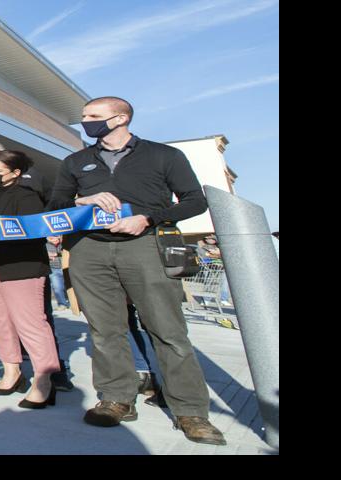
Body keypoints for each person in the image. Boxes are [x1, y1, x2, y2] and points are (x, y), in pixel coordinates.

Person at [48, 96, 225, 444]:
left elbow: (194, 199)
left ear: (120, 118)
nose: (85, 121)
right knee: (105, 330)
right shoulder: (75, 161)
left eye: (93, 116)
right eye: (84, 116)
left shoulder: (164, 155)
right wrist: (81, 201)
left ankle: (190, 411)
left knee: (167, 330)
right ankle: (117, 399)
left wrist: (147, 218)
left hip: (144, 244)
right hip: (89, 249)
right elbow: (56, 205)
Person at [0, 150, 60, 409]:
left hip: (18, 264)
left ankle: (44, 378)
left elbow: (33, 231)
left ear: (16, 173)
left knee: (29, 322)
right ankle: (11, 370)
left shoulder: (26, 195)